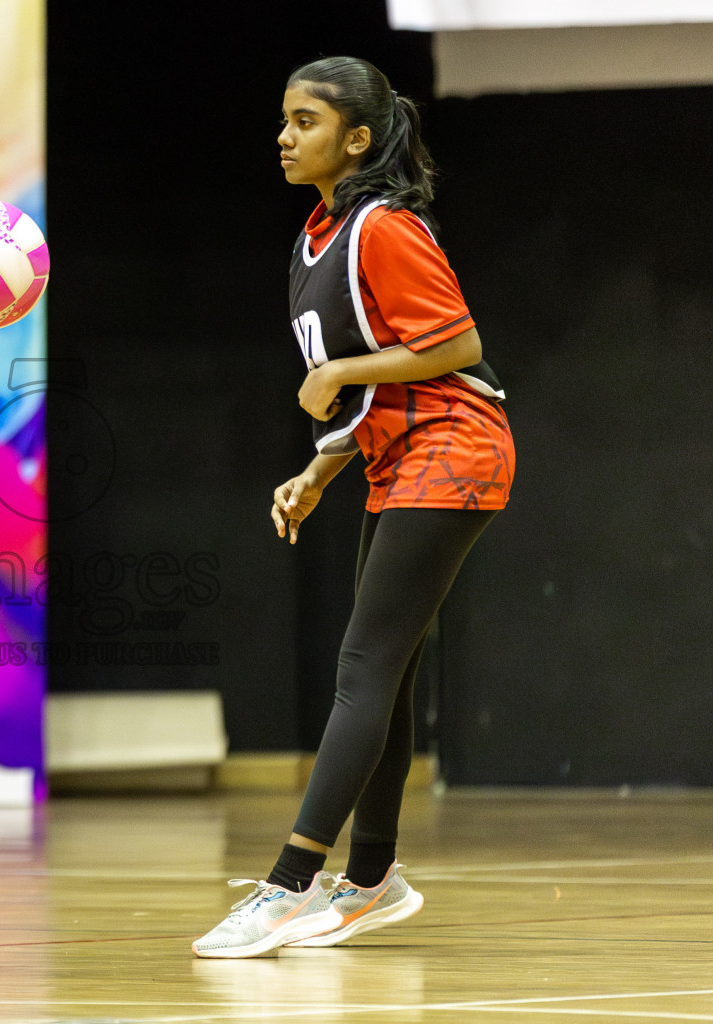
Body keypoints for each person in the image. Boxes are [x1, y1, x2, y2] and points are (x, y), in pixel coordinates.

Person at [192, 56, 515, 959]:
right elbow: (374, 392)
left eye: (305, 121)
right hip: (397, 456)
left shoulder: (383, 226)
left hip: (454, 450)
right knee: (389, 673)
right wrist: (319, 470)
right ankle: (372, 878)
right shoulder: (316, 235)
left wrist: (336, 371)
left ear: (357, 139)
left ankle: (289, 884)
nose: (284, 136)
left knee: (362, 668)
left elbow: (455, 344)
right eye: (283, 119)